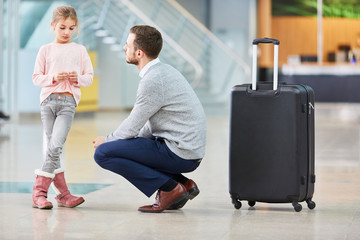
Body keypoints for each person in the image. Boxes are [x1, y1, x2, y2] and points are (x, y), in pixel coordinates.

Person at [93, 25, 206, 213]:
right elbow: (146, 125)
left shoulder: (153, 80)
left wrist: (107, 140)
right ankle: (183, 183)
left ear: (139, 53)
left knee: (104, 153)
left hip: (180, 152)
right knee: (128, 146)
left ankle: (169, 189)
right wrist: (127, 145)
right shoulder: (164, 71)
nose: (124, 48)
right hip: (188, 150)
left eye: (127, 45)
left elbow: (132, 127)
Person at [32, 5, 94, 209]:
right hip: (48, 102)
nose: (67, 32)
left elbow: (89, 78)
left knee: (55, 146)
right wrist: (52, 78)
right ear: (53, 26)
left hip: (68, 104)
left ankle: (39, 193)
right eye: (62, 28)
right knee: (53, 148)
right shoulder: (45, 50)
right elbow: (36, 78)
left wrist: (78, 79)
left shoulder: (80, 50)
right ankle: (63, 195)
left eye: (71, 28)